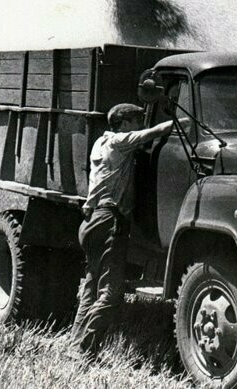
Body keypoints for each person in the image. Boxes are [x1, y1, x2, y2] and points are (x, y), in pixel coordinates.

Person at [69, 102, 188, 359]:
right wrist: (181, 122)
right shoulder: (118, 142)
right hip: (110, 221)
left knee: (91, 287)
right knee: (111, 294)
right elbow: (153, 133)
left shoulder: (100, 143)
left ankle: (74, 343)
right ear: (123, 123)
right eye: (136, 122)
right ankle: (84, 350)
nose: (139, 126)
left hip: (92, 221)